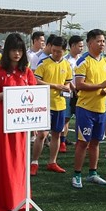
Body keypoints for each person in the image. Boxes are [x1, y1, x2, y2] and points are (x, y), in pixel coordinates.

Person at [0, 33, 37, 211]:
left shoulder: (27, 72)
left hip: (22, 123)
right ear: (7, 51)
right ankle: (3, 202)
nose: (17, 54)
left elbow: (33, 95)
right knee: (4, 162)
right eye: (14, 50)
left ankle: (20, 201)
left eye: (20, 50)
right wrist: (11, 94)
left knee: (20, 161)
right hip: (3, 122)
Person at [72, 29, 106, 189]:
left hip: (101, 109)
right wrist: (100, 86)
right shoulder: (83, 61)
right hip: (85, 109)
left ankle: (93, 173)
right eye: (99, 41)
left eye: (103, 41)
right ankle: (77, 174)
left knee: (96, 142)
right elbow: (79, 85)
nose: (102, 44)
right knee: (83, 143)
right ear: (90, 43)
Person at [32, 35, 72, 174]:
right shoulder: (43, 63)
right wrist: (55, 85)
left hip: (60, 104)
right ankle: (34, 162)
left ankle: (52, 162)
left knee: (56, 134)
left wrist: (66, 87)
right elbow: (36, 81)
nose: (55, 53)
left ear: (64, 51)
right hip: (45, 104)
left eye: (59, 51)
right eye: (54, 50)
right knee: (42, 134)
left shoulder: (66, 64)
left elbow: (68, 81)